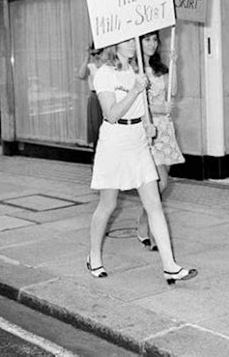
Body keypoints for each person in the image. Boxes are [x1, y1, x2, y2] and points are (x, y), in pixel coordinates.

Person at [87, 37, 197, 285]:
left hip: (138, 141)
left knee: (154, 203)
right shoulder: (105, 74)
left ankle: (170, 266)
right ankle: (94, 256)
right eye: (125, 40)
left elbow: (144, 106)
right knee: (108, 204)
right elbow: (112, 114)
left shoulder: (138, 70)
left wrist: (147, 124)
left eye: (132, 39)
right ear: (113, 43)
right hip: (114, 142)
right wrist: (136, 89)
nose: (130, 44)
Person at [136, 31, 185, 251]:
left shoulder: (160, 69)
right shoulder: (136, 71)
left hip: (165, 129)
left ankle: (144, 221)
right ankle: (153, 229)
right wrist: (158, 108)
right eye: (147, 39)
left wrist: (175, 67)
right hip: (148, 128)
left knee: (160, 182)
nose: (152, 43)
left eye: (155, 39)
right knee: (161, 182)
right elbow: (138, 103)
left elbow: (172, 92)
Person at [77, 43, 104, 157]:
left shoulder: (107, 65)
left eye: (99, 52)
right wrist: (87, 56)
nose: (96, 55)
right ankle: (96, 156)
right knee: (95, 128)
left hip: (107, 97)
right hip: (95, 98)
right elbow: (81, 75)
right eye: (94, 53)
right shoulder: (91, 66)